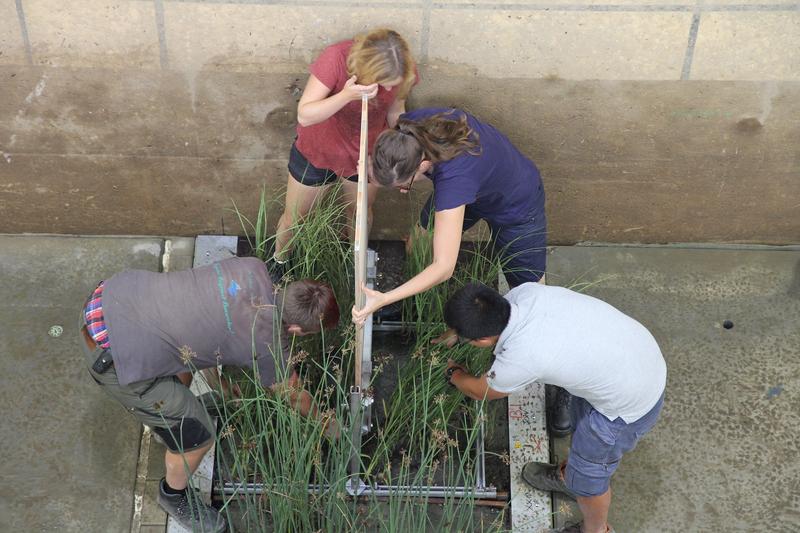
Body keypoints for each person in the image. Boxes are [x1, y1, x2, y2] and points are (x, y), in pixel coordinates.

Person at [80, 257, 339, 532]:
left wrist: (223, 386)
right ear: (297, 329)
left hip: (111, 296)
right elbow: (295, 396)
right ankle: (173, 495)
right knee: (198, 434)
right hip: (111, 354)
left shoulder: (252, 268)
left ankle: (166, 420)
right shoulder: (267, 341)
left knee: (182, 351)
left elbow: (209, 330)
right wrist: (329, 426)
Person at [439, 282, 666, 533]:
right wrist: (459, 332)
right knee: (581, 433)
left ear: (482, 340)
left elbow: (480, 390)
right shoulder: (525, 294)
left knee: (591, 478)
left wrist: (453, 372)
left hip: (626, 405)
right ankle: (570, 476)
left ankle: (595, 528)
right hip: (634, 355)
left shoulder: (522, 357)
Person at [272, 28, 419, 268]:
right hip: (318, 150)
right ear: (367, 70)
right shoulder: (336, 58)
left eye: (392, 85)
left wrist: (401, 151)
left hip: (367, 153)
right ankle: (279, 261)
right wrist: (346, 96)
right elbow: (305, 115)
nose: (388, 90)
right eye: (382, 83)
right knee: (296, 217)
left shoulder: (402, 68)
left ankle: (355, 264)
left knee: (359, 213)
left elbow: (395, 111)